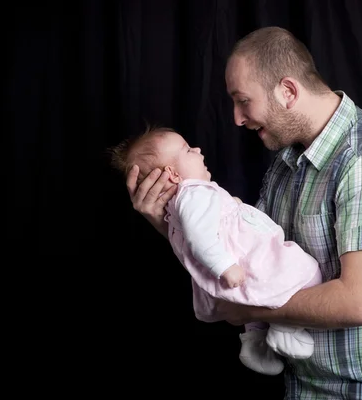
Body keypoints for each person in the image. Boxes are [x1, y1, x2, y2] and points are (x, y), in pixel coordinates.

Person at [125, 26, 362, 399]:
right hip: (302, 385)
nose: (237, 118)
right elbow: (238, 251)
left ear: (287, 91)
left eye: (243, 101)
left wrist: (246, 307)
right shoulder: (289, 159)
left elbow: (359, 303)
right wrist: (167, 222)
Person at [108, 126, 323, 376]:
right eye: (188, 150)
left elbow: (200, 230)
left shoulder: (184, 203)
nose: (198, 149)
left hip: (237, 263)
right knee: (305, 271)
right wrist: (224, 266)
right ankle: (286, 327)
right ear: (173, 174)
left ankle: (255, 341)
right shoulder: (194, 194)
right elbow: (200, 237)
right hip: (242, 262)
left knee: (255, 294)